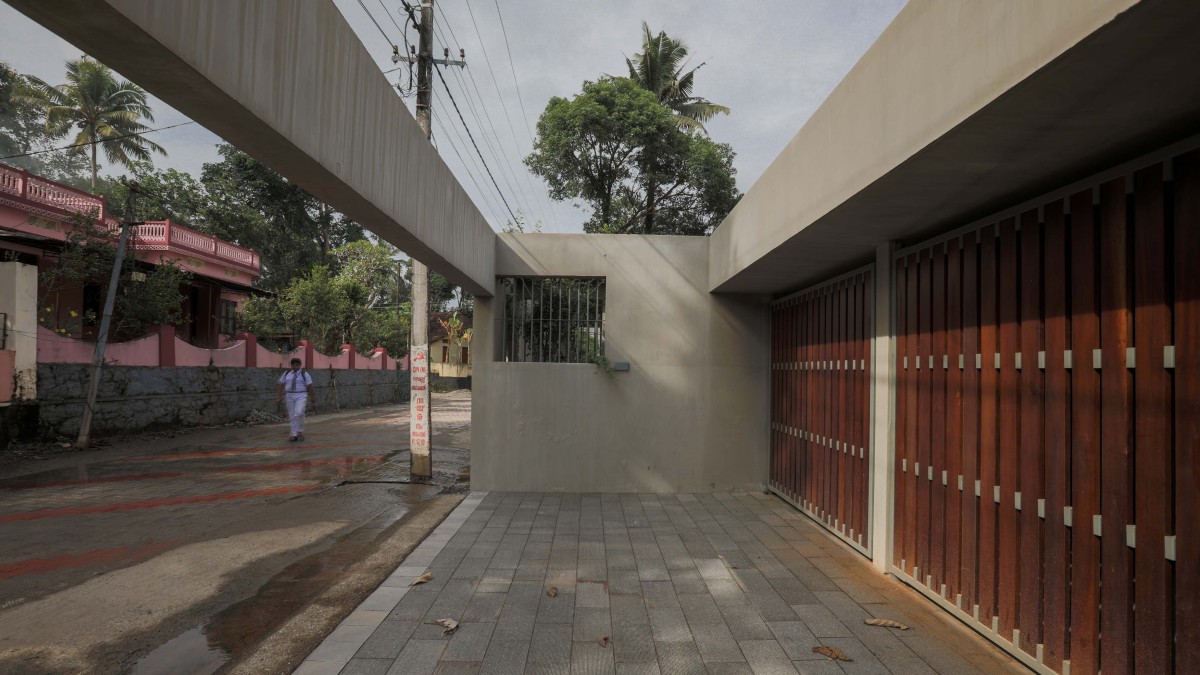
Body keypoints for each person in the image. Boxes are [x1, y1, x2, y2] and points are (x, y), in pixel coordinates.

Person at [276, 357, 314, 441]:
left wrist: (313, 399)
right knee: (292, 415)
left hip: (301, 394)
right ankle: (294, 434)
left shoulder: (305, 374)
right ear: (291, 365)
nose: (295, 366)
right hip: (289, 395)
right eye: (293, 365)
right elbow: (281, 385)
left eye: (297, 365)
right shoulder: (287, 373)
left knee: (299, 412)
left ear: (300, 365)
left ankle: (300, 431)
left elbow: (310, 386)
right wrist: (278, 396)